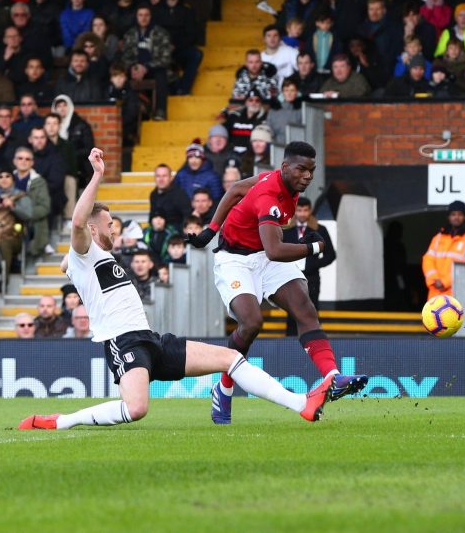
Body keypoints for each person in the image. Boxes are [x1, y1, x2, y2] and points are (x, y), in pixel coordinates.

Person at [19, 148, 335, 431]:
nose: (114, 226)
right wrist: (98, 174)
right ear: (91, 228)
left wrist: (67, 265)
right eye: (108, 222)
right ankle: (61, 422)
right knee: (137, 409)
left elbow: (69, 262)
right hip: (123, 341)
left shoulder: (89, 258)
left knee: (230, 359)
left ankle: (302, 404)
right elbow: (76, 225)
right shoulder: (84, 252)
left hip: (150, 339)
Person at [185, 141, 368, 425]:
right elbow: (276, 250)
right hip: (236, 261)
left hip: (264, 256)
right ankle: (223, 388)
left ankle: (333, 377)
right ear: (285, 168)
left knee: (304, 309)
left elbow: (234, 190)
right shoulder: (270, 196)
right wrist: (313, 248)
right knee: (251, 323)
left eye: (311, 170)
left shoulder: (276, 178)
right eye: (302, 170)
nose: (307, 176)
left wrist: (210, 229)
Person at [283, 197, 336, 335]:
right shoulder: (287, 231)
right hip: (291, 277)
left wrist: (312, 265)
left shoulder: (319, 230)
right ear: (295, 211)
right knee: (292, 311)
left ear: (310, 211)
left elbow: (330, 254)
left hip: (311, 278)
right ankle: (290, 343)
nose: (302, 214)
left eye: (305, 210)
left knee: (312, 309)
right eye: (299, 210)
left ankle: (314, 340)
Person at [422, 200, 465, 300]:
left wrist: (444, 282)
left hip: (457, 294)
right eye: (453, 214)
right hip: (435, 294)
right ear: (449, 217)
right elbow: (428, 259)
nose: (456, 217)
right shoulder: (439, 237)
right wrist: (434, 279)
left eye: (460, 214)